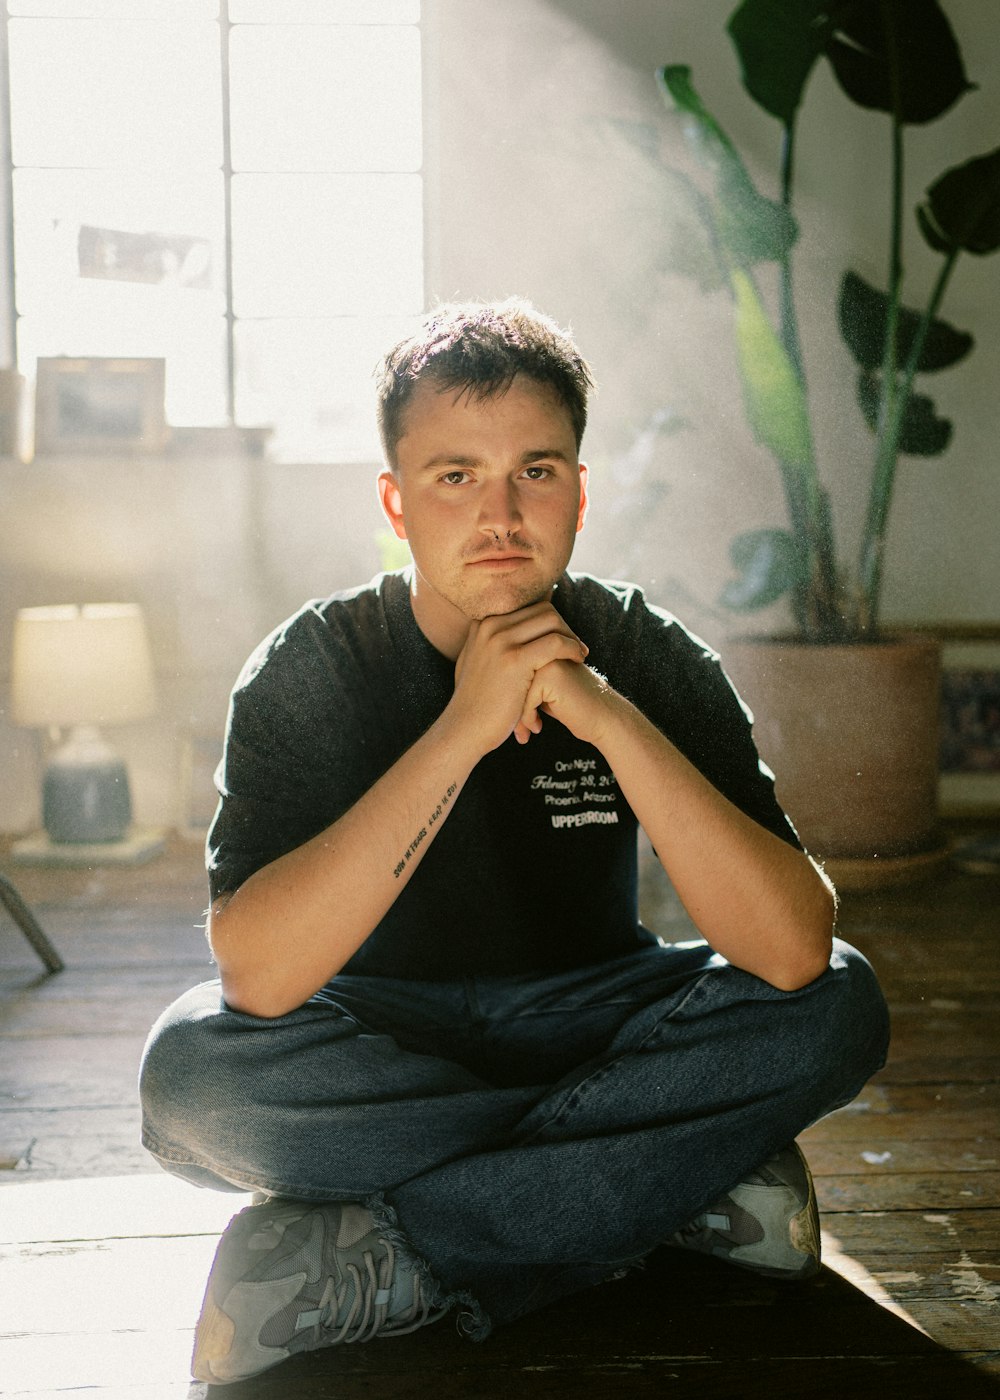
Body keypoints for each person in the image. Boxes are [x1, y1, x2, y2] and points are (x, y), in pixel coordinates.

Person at [139, 299, 889, 1385]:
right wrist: (464, 725)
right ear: (396, 503)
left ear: (579, 493)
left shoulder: (642, 644)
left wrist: (608, 714)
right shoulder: (310, 665)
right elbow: (259, 971)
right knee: (193, 1077)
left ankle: (401, 1248)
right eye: (455, 476)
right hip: (372, 1025)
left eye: (535, 471)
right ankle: (673, 1186)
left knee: (839, 1004)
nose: (499, 512)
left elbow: (788, 952)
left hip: (593, 1012)